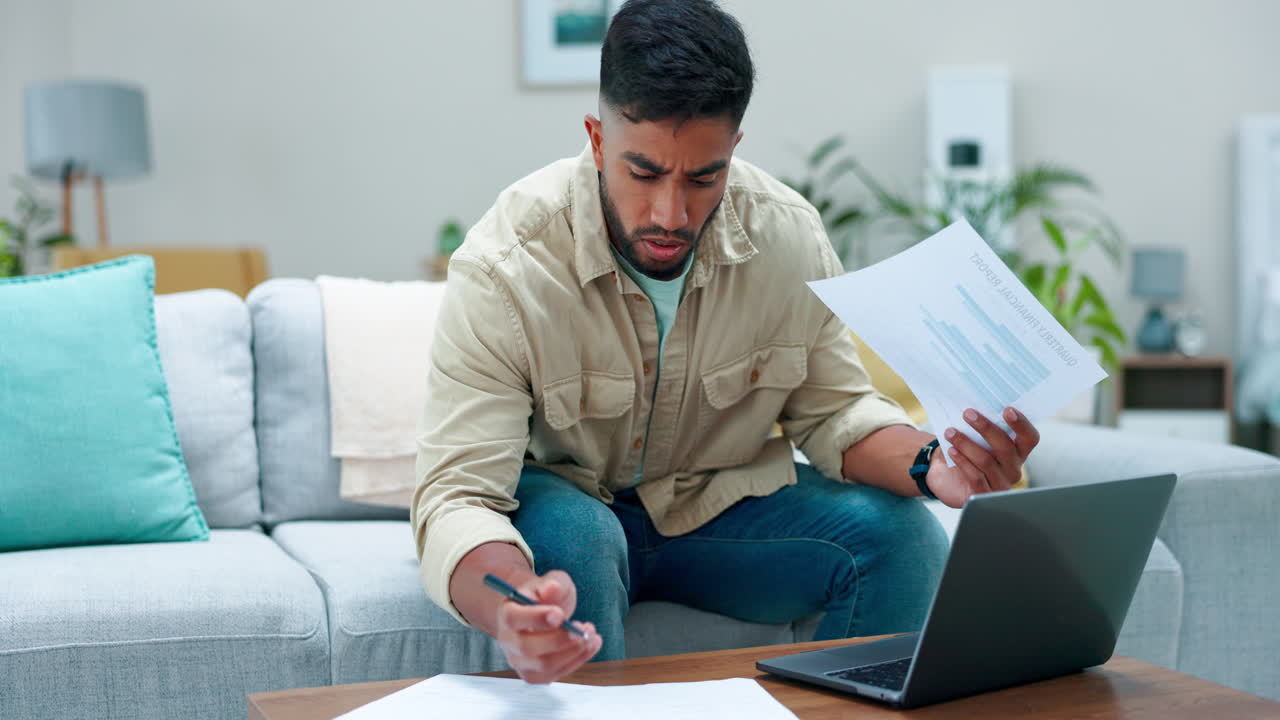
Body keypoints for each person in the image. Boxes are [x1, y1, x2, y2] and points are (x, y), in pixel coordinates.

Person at [412, 0, 1039, 685]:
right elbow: (459, 497)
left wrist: (934, 466)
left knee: (903, 538)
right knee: (577, 541)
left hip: (714, 515)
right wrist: (512, 607)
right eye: (643, 172)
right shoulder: (507, 266)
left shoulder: (788, 237)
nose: (669, 215)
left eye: (702, 177)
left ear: (733, 151)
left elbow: (835, 415)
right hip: (571, 509)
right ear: (597, 141)